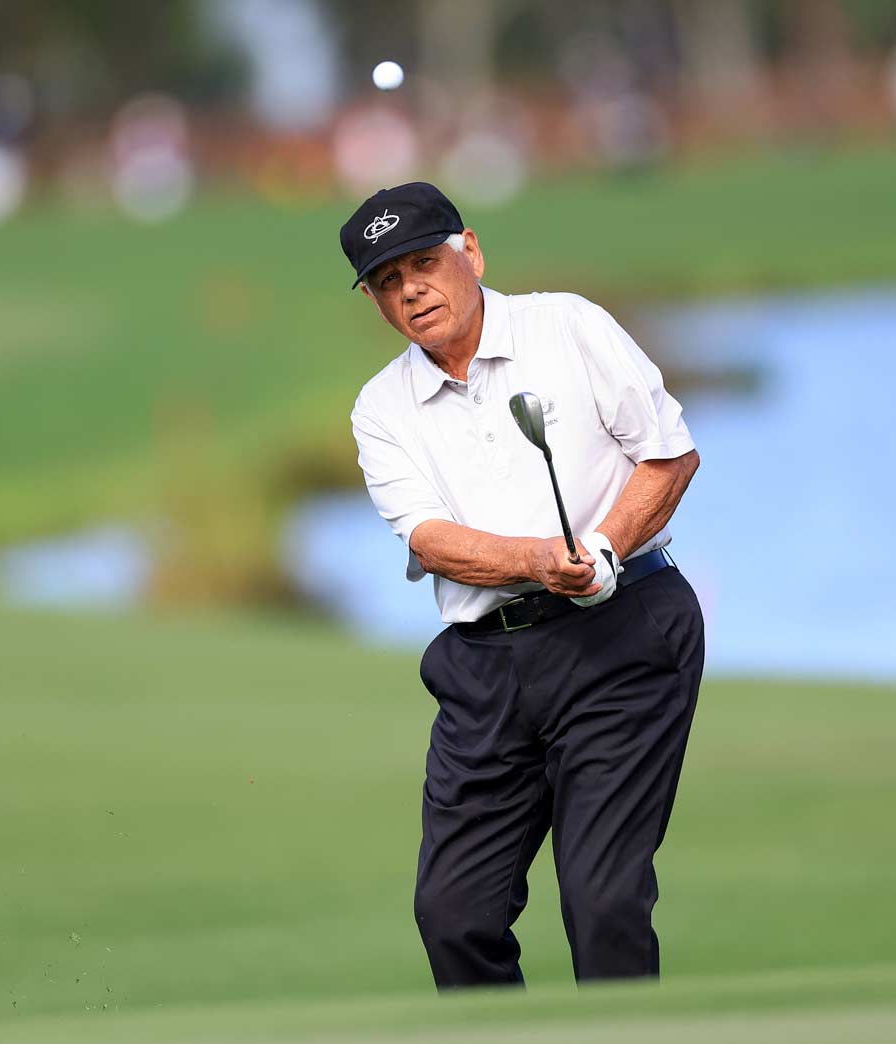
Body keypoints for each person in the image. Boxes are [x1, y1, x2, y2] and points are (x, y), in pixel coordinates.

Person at [340, 182, 705, 988]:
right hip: (486, 667)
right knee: (453, 916)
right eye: (386, 282)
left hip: (624, 636)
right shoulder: (380, 408)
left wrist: (603, 549)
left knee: (603, 904)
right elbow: (431, 540)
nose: (411, 291)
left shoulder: (565, 326)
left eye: (424, 265)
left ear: (470, 252)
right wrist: (543, 560)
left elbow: (669, 455)